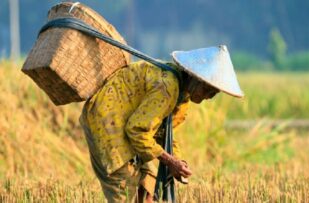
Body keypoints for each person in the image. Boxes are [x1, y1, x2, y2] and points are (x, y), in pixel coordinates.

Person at [79, 45, 243, 203]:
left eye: (214, 94)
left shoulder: (183, 94)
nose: (208, 96)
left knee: (149, 183)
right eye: (208, 90)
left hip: (127, 122)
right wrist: (171, 162)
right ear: (196, 79)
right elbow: (137, 131)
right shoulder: (167, 87)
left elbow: (163, 132)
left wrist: (177, 160)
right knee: (125, 187)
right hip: (107, 122)